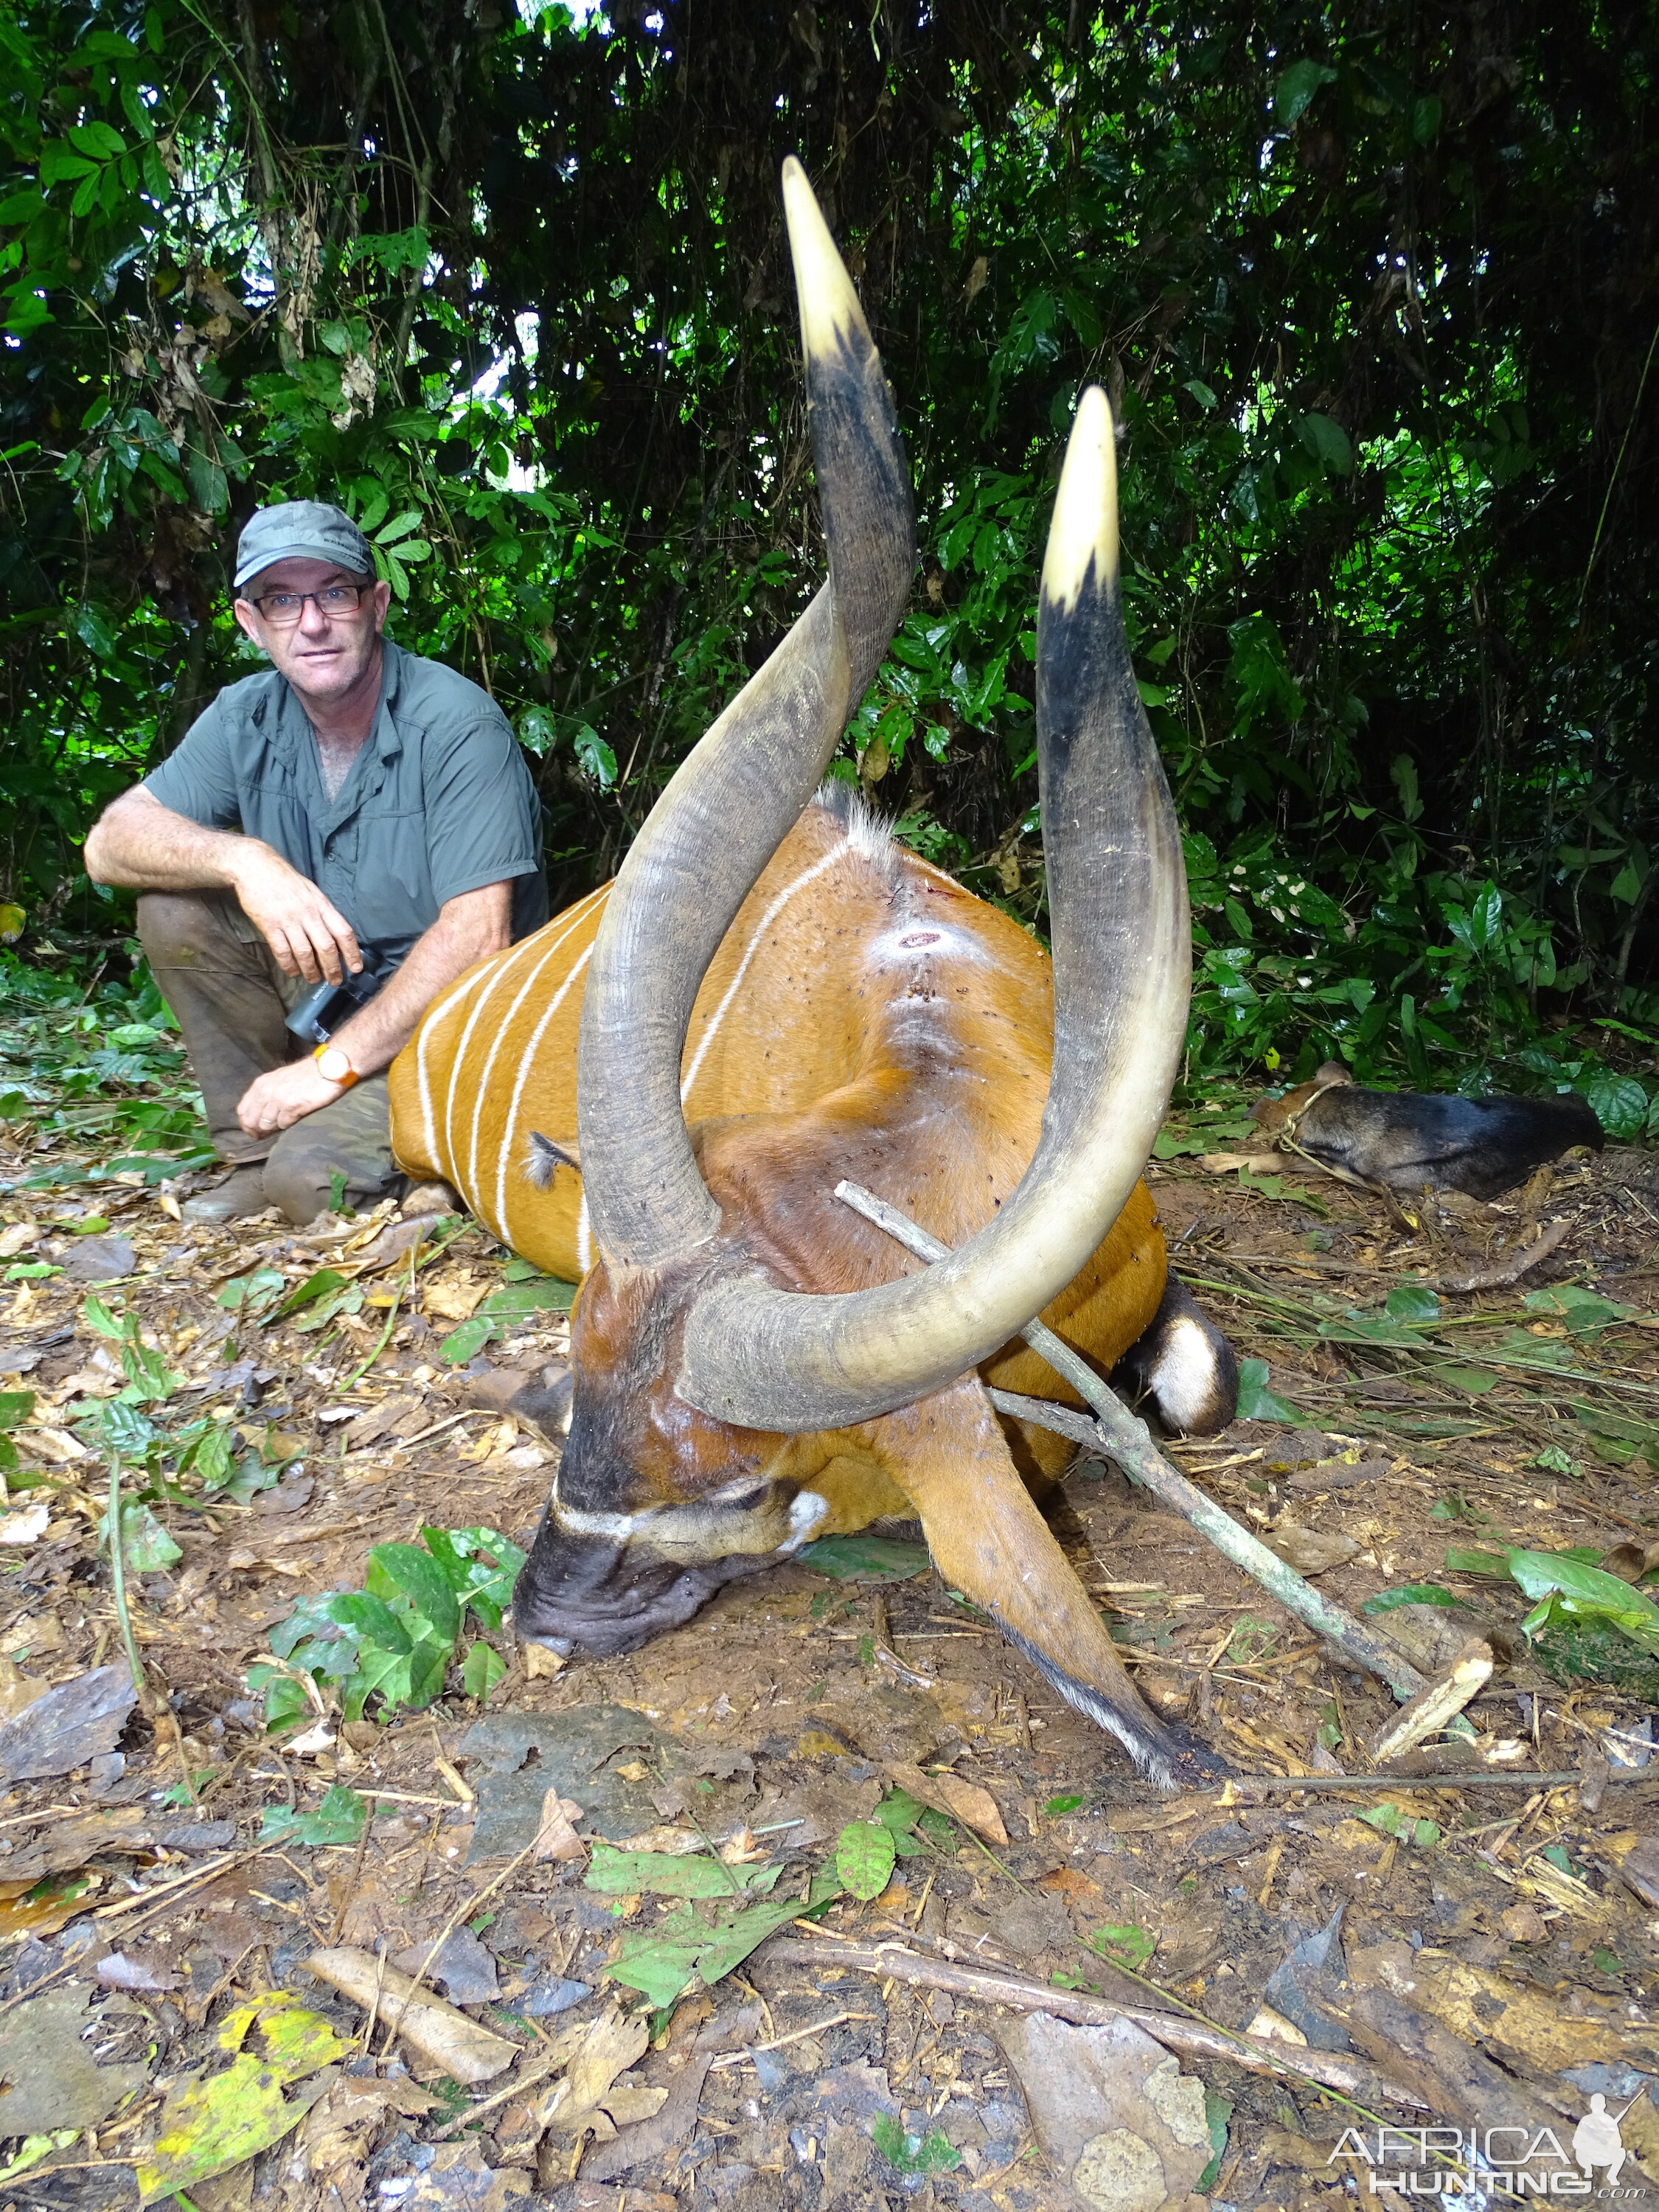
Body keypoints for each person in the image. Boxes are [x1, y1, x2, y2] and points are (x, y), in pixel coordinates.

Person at [83, 499, 547, 1226]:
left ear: (377, 605)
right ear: (250, 623)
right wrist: (246, 859)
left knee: (312, 1183)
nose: (312, 622)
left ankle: (426, 1163)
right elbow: (110, 842)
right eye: (283, 600)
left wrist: (326, 1073)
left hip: (453, 1031)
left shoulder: (457, 725)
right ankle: (251, 1155)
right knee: (174, 907)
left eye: (335, 592)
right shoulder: (248, 716)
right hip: (333, 993)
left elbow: (478, 939)